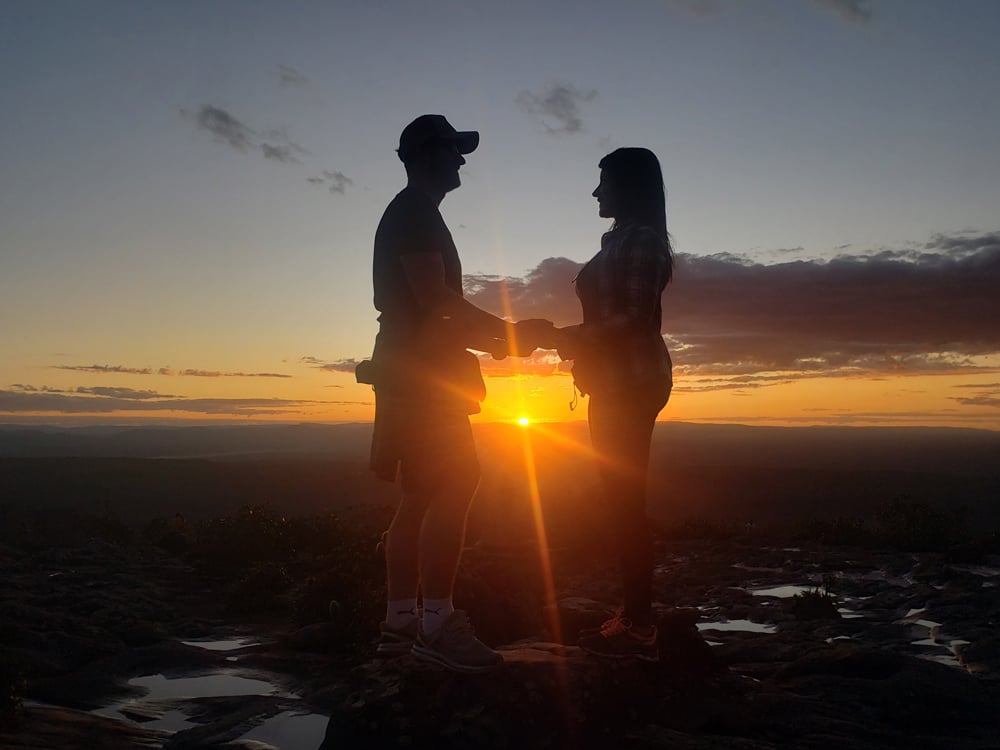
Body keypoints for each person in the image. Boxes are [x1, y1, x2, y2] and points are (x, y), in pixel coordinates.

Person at [366, 114, 553, 673]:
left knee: (420, 497)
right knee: (456, 483)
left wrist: (498, 338)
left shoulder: (411, 213)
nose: (461, 160)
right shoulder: (416, 214)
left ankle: (400, 627)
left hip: (407, 370)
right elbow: (436, 300)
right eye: (454, 149)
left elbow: (434, 303)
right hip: (424, 376)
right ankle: (438, 628)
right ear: (428, 154)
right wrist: (509, 335)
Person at [556, 147, 674, 661]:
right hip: (614, 381)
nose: (596, 192)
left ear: (628, 187)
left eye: (604, 182)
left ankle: (639, 624)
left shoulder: (642, 241)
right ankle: (635, 616)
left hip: (632, 381)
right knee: (621, 499)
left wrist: (571, 336)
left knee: (626, 501)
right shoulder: (623, 240)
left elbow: (632, 317)